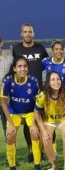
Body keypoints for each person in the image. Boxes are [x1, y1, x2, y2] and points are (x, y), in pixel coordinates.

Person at [12, 23, 48, 162]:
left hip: (39, 92)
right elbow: (15, 69)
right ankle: (31, 151)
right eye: (25, 32)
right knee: (28, 124)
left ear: (33, 33)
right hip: (23, 93)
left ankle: (43, 150)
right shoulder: (16, 49)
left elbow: (46, 67)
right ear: (21, 34)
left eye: (30, 32)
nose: (28, 34)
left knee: (42, 122)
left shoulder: (40, 48)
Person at [0, 56, 41, 170]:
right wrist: (11, 124)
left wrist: (33, 122)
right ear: (14, 68)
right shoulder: (7, 81)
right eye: (19, 66)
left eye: (25, 66)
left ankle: (37, 165)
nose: (23, 69)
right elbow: (3, 102)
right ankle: (12, 167)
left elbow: (37, 102)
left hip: (30, 112)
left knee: (34, 133)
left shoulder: (33, 81)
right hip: (14, 112)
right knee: (10, 135)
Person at [35, 71, 65, 170]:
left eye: (58, 79)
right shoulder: (43, 96)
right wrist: (43, 130)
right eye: (53, 79)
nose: (56, 82)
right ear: (48, 82)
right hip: (49, 120)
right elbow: (37, 113)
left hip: (63, 119)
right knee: (46, 140)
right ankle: (54, 166)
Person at [0, 36, 13, 136]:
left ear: (1, 43)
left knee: (7, 126)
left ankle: (11, 149)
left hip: (5, 98)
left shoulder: (9, 59)